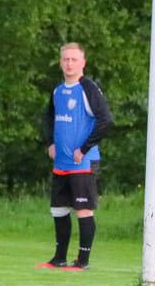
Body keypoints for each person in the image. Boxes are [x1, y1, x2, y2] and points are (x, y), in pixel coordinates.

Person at [36, 42, 113, 271]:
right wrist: (50, 142)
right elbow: (48, 118)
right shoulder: (58, 91)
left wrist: (85, 148)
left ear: (83, 63)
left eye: (74, 59)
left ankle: (82, 261)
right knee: (58, 209)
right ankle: (59, 258)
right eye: (65, 59)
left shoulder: (88, 88)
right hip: (61, 162)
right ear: (60, 62)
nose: (69, 63)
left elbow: (106, 120)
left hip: (83, 162)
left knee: (83, 209)